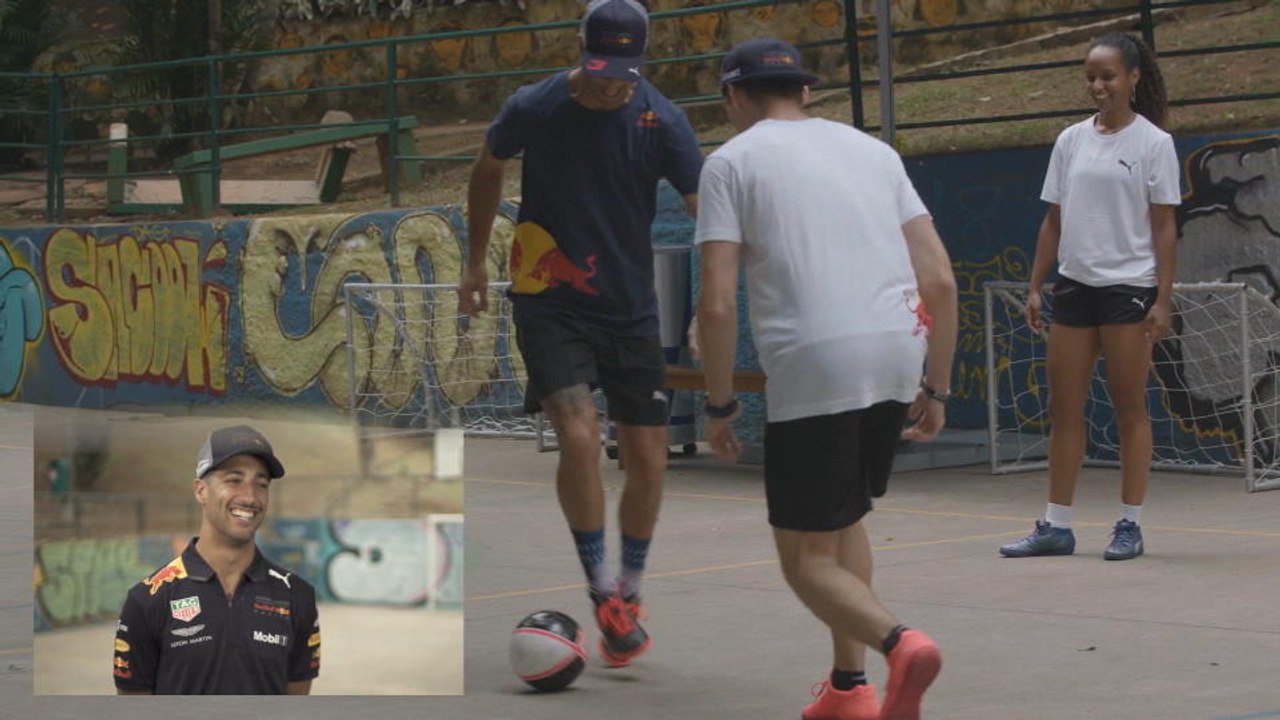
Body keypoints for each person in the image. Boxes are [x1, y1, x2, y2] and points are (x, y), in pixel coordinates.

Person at [694, 38, 957, 720]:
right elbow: (939, 279)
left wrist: (719, 403)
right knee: (845, 518)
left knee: (804, 560)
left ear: (733, 96)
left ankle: (901, 644)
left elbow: (716, 303)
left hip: (817, 363)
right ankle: (850, 687)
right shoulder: (874, 152)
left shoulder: (730, 163)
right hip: (898, 348)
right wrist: (936, 387)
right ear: (805, 91)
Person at [458, 0, 702, 667]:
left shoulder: (663, 122)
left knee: (649, 458)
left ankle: (630, 591)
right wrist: (475, 262)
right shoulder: (535, 106)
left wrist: (709, 305)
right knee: (579, 435)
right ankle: (601, 590)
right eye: (599, 70)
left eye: (624, 74)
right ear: (579, 49)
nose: (610, 86)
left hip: (630, 309)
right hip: (549, 300)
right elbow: (488, 165)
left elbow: (706, 211)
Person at [998, 32, 1179, 562]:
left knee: (1129, 409)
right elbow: (1054, 220)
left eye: (1108, 76)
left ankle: (1130, 525)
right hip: (1074, 288)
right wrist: (1036, 285)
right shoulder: (1071, 140)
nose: (1098, 86)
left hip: (1129, 290)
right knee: (1064, 410)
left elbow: (1165, 227)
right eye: (1091, 78)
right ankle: (1056, 526)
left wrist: (1162, 299)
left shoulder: (1154, 144)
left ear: (1133, 77)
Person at [112, 426, 321, 694]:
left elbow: (296, 701)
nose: (250, 497)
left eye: (261, 484)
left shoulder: (297, 597)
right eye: (234, 480)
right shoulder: (147, 599)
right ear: (201, 491)